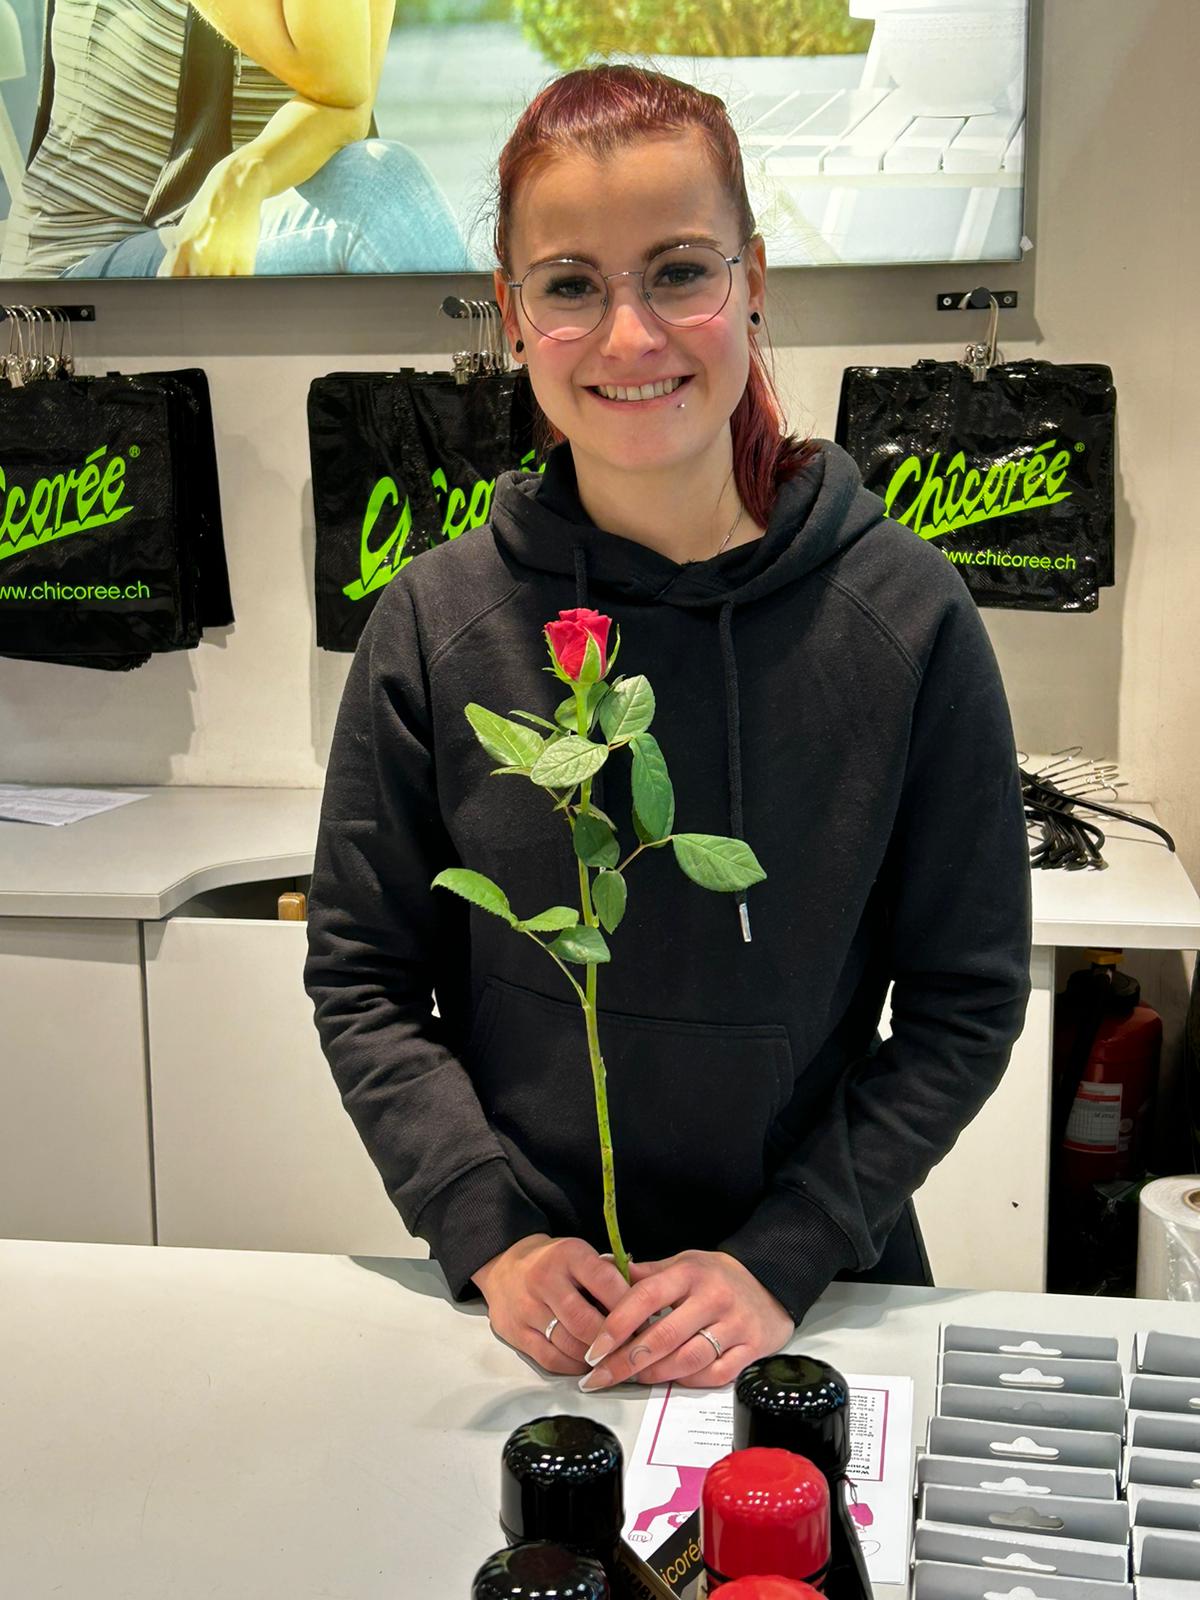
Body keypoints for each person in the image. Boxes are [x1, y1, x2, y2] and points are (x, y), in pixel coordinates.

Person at [304, 64, 1033, 1393]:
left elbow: (966, 1000)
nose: (631, 336)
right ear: (514, 316)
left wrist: (786, 1253)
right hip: (529, 1316)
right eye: (572, 284)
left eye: (680, 272)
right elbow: (363, 977)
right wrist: (490, 1230)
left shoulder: (908, 617)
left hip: (817, 1302)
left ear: (754, 283)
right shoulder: (433, 623)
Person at [1, 0, 472, 280]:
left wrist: (244, 177)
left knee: (378, 185)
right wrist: (244, 180)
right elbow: (337, 77)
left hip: (237, 242)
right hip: (79, 279)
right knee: (378, 194)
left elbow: (349, 105)